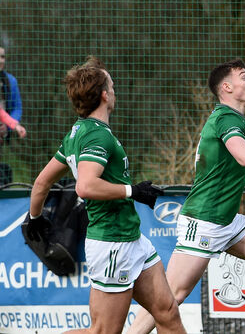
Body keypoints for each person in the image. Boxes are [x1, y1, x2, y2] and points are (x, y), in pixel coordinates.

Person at [129, 59, 245, 334]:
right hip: (204, 221)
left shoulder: (230, 119)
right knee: (170, 299)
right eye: (244, 77)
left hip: (227, 221)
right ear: (226, 87)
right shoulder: (226, 118)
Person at [26, 56, 185, 334]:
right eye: (111, 85)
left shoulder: (78, 133)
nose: (114, 90)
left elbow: (41, 183)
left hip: (133, 240)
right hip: (112, 244)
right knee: (103, 332)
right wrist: (132, 191)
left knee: (167, 312)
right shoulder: (96, 136)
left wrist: (34, 217)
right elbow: (86, 186)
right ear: (103, 95)